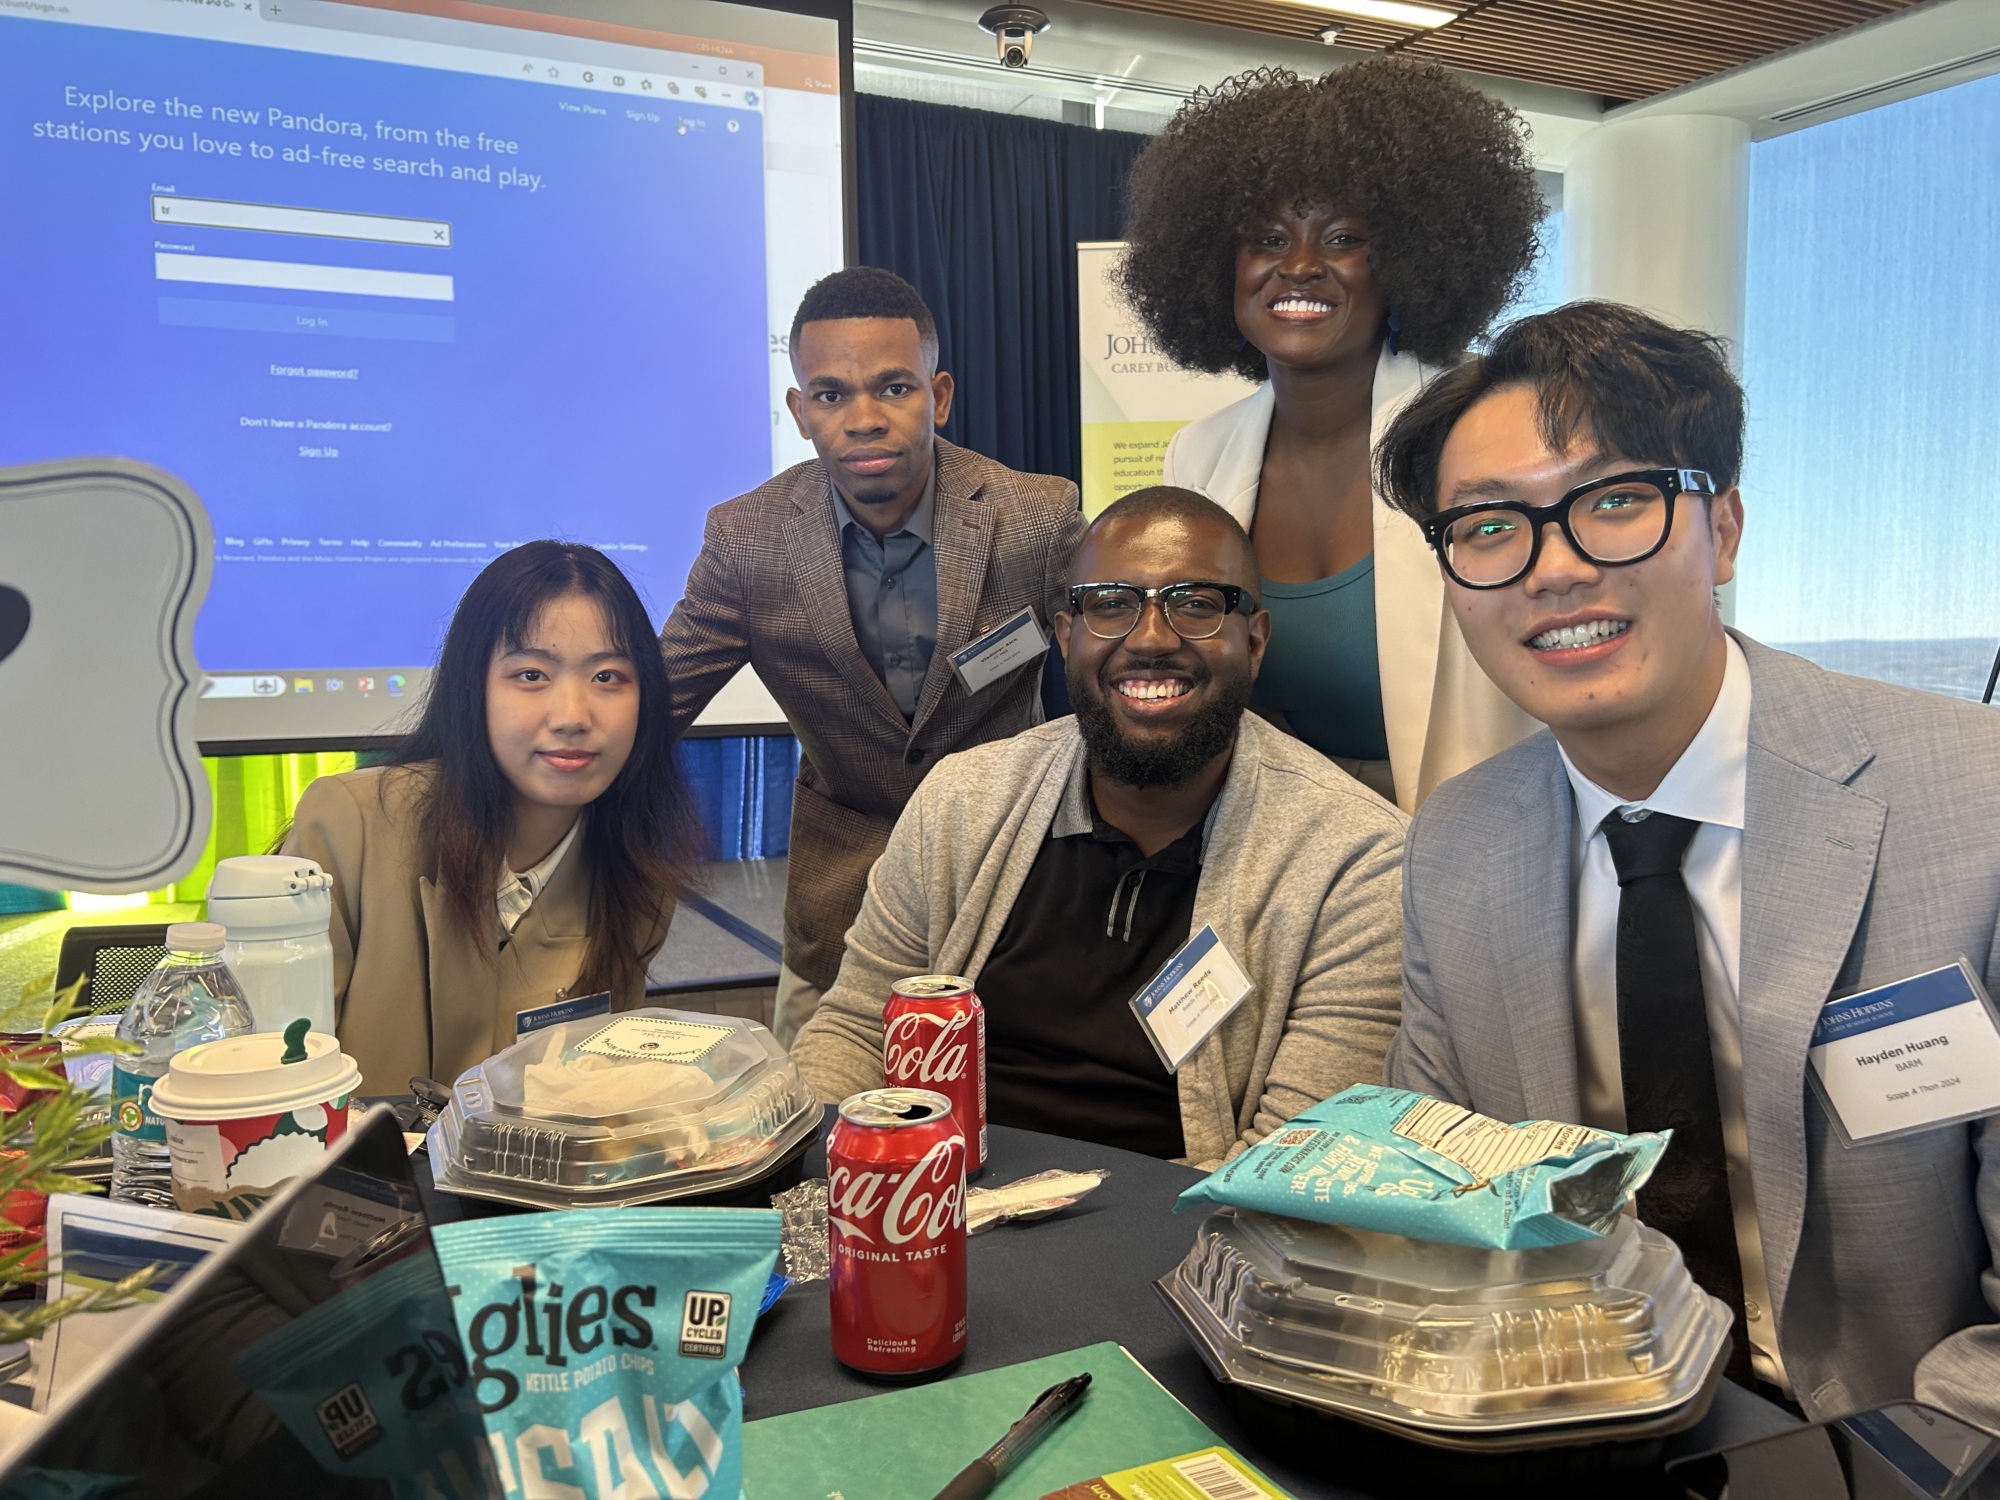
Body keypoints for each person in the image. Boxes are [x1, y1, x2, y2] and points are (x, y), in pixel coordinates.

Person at [1377, 301, 2000, 1428]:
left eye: (1614, 501)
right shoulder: (1455, 847)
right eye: (1486, 527)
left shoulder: (1976, 810)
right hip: (1568, 1425)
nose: (1553, 568)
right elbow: (1446, 1215)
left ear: (1720, 530)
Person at [793, 487, 1405, 1170]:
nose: (1149, 639)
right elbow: (855, 1030)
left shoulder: (1358, 862)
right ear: (1065, 637)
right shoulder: (963, 802)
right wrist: (823, 1192)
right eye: (1112, 604)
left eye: (1197, 604)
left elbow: (1292, 1163)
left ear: (1254, 642)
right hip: (931, 1212)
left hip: (1174, 1245)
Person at [659, 267, 1086, 1044]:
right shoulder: (747, 540)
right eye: (830, 395)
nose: (862, 418)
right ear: (799, 410)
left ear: (940, 395)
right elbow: (652, 706)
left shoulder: (1035, 516)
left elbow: (1112, 676)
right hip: (840, 912)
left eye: (893, 388)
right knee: (812, 1133)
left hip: (1014, 891)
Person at [1118, 58, 1545, 809]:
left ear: (1409, 260)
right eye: (1267, 239)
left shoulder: (1481, 428)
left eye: (1343, 238)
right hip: (1271, 832)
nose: (1302, 267)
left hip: (1467, 825)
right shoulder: (1200, 453)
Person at [286, 542, 701, 1094]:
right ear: (471, 688)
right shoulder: (348, 826)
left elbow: (591, 1096)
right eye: (530, 675)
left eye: (607, 677)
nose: (573, 717)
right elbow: (273, 1074)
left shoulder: (638, 883)